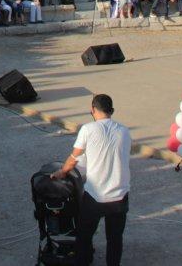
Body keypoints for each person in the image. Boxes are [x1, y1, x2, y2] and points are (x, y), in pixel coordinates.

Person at [51, 94, 131, 266]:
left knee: (84, 235)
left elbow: (74, 157)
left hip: (96, 196)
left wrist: (62, 172)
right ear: (112, 111)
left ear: (93, 110)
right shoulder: (124, 131)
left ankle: (85, 261)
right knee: (115, 238)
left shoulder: (88, 129)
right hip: (120, 196)